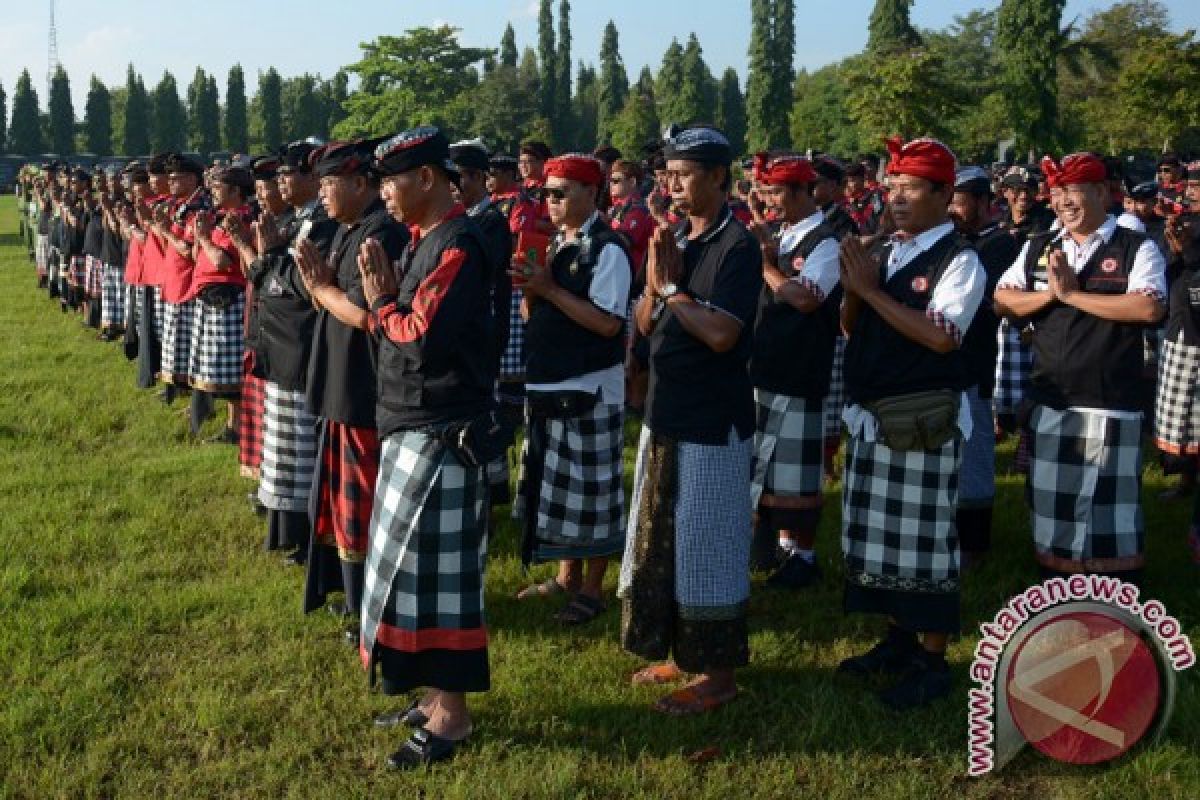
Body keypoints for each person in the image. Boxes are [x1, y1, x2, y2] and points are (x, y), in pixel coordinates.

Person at [357, 127, 495, 768]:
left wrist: (383, 301)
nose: (385, 192)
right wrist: (388, 303)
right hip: (414, 428)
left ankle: (455, 719)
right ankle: (439, 698)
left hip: (443, 436)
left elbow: (420, 338)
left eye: (393, 179)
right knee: (415, 578)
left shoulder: (458, 244)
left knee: (443, 585)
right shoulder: (423, 241)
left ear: (429, 180)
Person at [837, 137, 985, 710]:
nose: (896, 197)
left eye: (910, 187)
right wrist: (856, 292)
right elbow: (851, 326)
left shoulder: (960, 259)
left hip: (925, 419)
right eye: (892, 186)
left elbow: (939, 336)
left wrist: (870, 293)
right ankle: (898, 639)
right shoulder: (890, 251)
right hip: (877, 412)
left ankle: (932, 658)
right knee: (883, 541)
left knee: (924, 544)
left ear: (945, 195)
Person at [619, 125, 762, 715]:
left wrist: (673, 290)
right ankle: (680, 652)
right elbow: (647, 322)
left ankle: (719, 675)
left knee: (709, 545)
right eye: (668, 174)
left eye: (684, 174)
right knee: (665, 540)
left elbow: (725, 334)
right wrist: (656, 290)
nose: (671, 184)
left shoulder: (738, 246)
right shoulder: (677, 236)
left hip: (712, 420)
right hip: (667, 413)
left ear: (719, 178)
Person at [994, 152, 1166, 583]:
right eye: (1056, 193)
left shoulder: (1135, 246)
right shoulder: (1040, 246)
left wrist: (1072, 296)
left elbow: (1147, 306)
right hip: (1052, 400)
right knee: (1054, 509)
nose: (1064, 202)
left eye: (1074, 191)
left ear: (1103, 192)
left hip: (1110, 401)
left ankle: (1114, 611)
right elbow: (1003, 299)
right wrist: (1050, 297)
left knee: (1110, 515)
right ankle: (1058, 601)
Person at [295, 139, 409, 639]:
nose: (321, 194)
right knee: (342, 503)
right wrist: (320, 288)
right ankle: (354, 595)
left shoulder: (379, 233)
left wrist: (322, 290)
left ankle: (373, 603)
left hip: (364, 390)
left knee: (363, 503)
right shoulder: (349, 230)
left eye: (328, 183)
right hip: (341, 385)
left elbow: (367, 315)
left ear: (360, 184)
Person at [512, 153, 630, 624]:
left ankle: (593, 589)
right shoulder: (555, 244)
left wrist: (549, 288)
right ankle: (565, 575)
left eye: (560, 193)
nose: (550, 201)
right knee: (558, 490)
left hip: (589, 387)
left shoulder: (608, 249)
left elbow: (607, 324)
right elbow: (532, 317)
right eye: (546, 193)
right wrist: (531, 289)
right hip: (549, 381)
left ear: (590, 193)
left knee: (593, 490)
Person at [238, 142, 339, 567]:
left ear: (314, 179)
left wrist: (270, 258)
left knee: (301, 448)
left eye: (289, 174)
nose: (281, 182)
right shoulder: (297, 220)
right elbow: (273, 277)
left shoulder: (320, 224)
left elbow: (297, 282)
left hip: (302, 345)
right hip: (281, 345)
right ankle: (286, 527)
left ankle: (304, 536)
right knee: (284, 446)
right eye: (278, 175)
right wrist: (271, 260)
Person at [746, 153, 841, 589]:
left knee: (796, 470)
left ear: (804, 192)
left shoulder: (825, 241)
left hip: (801, 366)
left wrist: (765, 265)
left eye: (778, 192)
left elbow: (806, 298)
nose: (770, 201)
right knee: (765, 464)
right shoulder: (783, 236)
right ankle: (774, 547)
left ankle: (803, 555)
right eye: (766, 192)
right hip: (766, 363)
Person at [949, 166, 1021, 567]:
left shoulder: (998, 244)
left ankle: (975, 542)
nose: (953, 210)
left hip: (978, 360)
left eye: (959, 201)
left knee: (974, 453)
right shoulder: (956, 241)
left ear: (981, 202)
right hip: (949, 361)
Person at [450, 139, 515, 511]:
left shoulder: (490, 222)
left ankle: (490, 492)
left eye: (459, 178)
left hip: (485, 330)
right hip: (474, 330)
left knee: (482, 408)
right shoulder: (471, 220)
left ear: (476, 178)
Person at [1153, 161, 1200, 560]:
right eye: (1193, 189)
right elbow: (1166, 273)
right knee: (1184, 414)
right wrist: (1176, 250)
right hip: (1183, 324)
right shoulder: (1177, 223)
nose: (1194, 194)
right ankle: (1185, 478)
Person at [187, 166, 255, 440]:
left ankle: (237, 428)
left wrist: (203, 237)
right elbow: (196, 255)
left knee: (231, 373)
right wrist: (200, 235)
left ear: (236, 191)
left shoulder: (240, 221)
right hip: (210, 297)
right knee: (220, 371)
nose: (212, 193)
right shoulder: (219, 220)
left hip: (228, 298)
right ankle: (231, 426)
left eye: (218, 188)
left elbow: (222, 262)